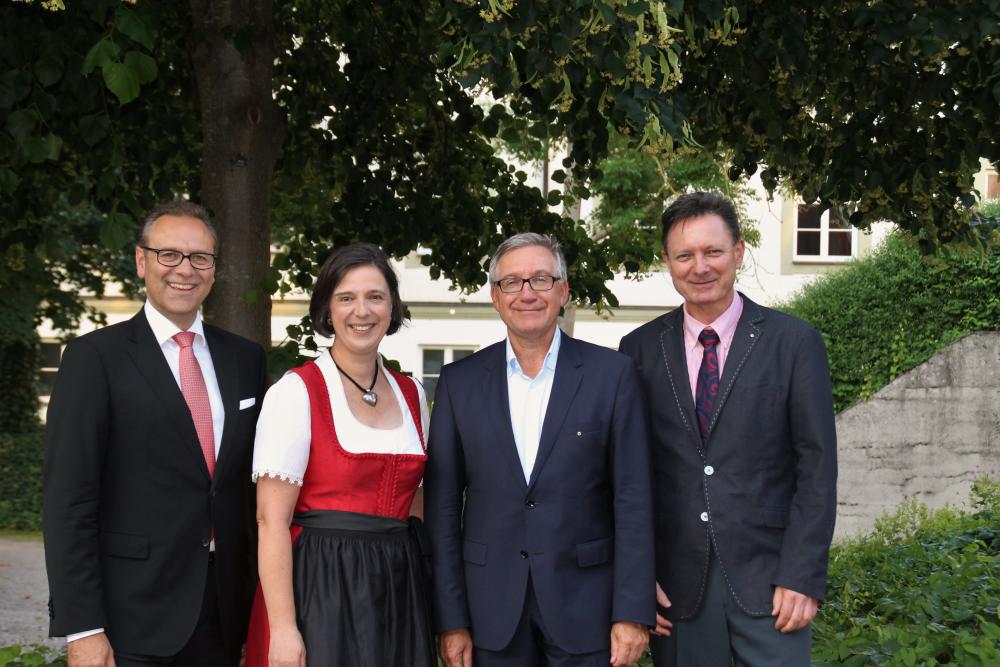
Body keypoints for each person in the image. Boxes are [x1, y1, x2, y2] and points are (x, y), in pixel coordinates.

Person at [43, 201, 268, 667]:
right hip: (130, 618)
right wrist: (83, 628)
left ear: (214, 269)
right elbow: (69, 503)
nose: (185, 269)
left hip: (224, 614)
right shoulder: (93, 359)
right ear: (141, 261)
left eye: (199, 257)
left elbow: (249, 492)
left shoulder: (245, 359)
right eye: (169, 254)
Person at [618, 191, 838, 666]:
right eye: (684, 255)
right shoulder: (638, 349)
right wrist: (634, 580)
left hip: (773, 588)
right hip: (677, 592)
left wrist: (802, 575)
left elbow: (817, 469)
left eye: (713, 251)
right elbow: (629, 476)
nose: (700, 267)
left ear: (738, 252)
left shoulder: (795, 343)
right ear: (667, 262)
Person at [425, 233, 655, 667]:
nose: (527, 293)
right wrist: (451, 619)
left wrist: (631, 611)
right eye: (512, 282)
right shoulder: (459, 383)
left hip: (587, 608)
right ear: (496, 297)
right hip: (489, 612)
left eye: (541, 280)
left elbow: (634, 500)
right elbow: (442, 510)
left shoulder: (613, 375)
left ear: (563, 291)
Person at [245, 242, 434, 667]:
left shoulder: (412, 394)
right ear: (327, 310)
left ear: (391, 306)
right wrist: (284, 628)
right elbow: (270, 521)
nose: (361, 311)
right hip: (320, 586)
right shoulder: (296, 392)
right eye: (346, 298)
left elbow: (415, 502)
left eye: (375, 297)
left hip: (397, 589)